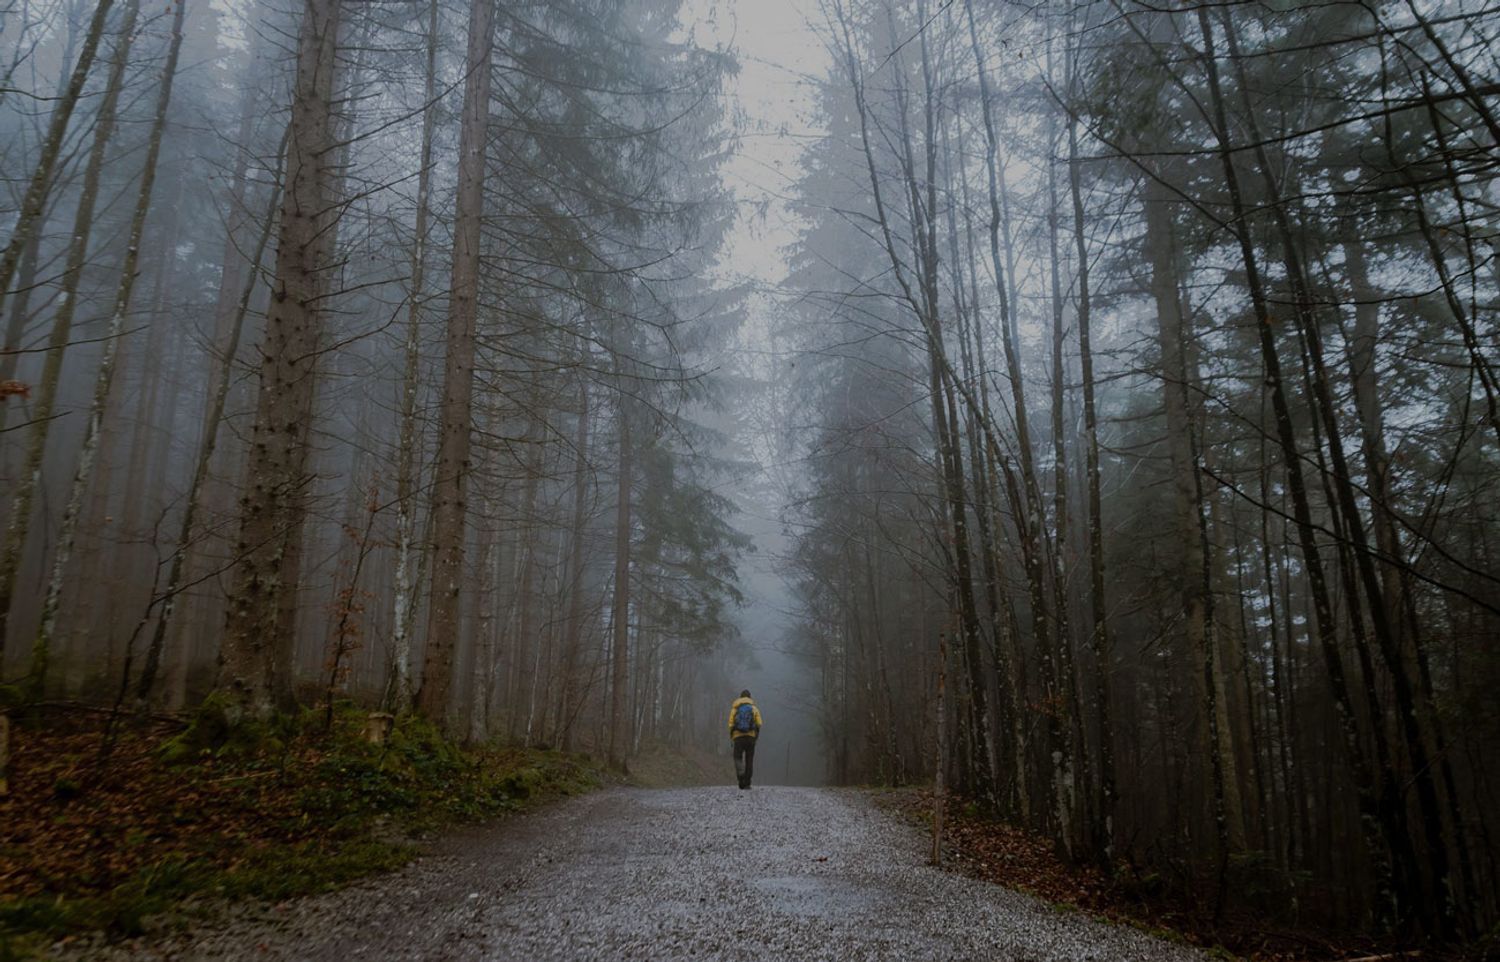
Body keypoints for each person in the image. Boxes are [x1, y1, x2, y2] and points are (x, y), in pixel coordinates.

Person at [727, 689, 762, 790]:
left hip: (738, 737)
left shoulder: (735, 709)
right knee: (749, 759)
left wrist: (733, 733)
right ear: (750, 697)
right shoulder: (754, 708)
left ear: (740, 697)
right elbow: (759, 723)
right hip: (750, 737)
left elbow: (730, 724)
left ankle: (741, 776)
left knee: (737, 757)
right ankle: (747, 783)